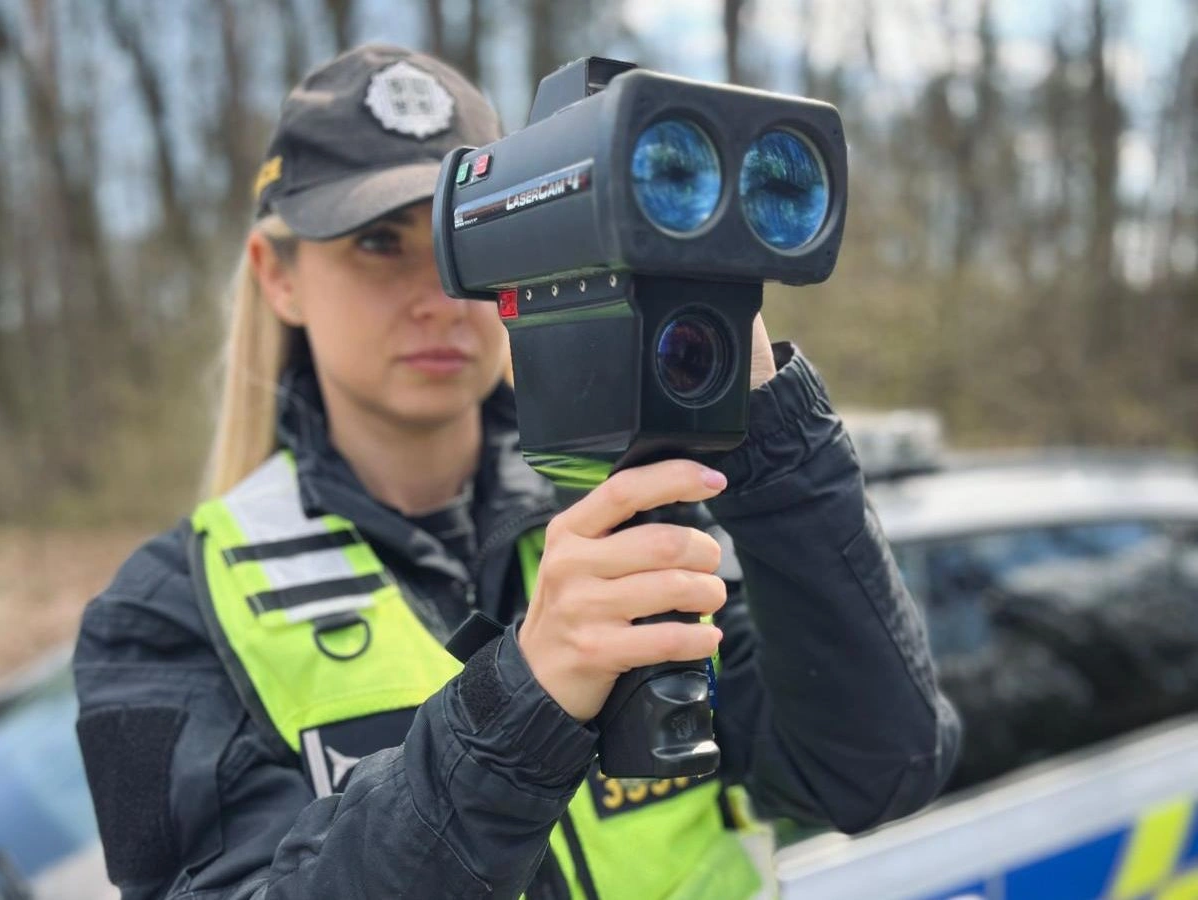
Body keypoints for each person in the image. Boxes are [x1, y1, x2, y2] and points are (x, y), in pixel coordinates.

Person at [73, 44, 960, 900]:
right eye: (377, 243)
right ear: (279, 277)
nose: (438, 295)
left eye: (463, 236)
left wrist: (771, 434)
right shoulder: (164, 613)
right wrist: (520, 704)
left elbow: (876, 772)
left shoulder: (635, 500)